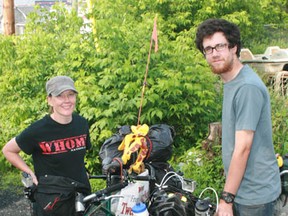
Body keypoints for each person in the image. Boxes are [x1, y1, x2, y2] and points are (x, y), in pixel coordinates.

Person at [195, 18, 281, 216]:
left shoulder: (246, 88)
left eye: (220, 46)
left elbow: (243, 147)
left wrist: (226, 199)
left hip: (254, 197)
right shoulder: (233, 82)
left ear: (233, 47)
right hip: (243, 189)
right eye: (208, 49)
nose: (214, 53)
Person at [2, 75, 91, 216]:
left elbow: (76, 157)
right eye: (60, 96)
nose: (67, 100)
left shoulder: (82, 124)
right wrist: (29, 172)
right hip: (51, 200)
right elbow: (8, 150)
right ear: (49, 100)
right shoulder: (38, 130)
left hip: (81, 195)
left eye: (70, 95)